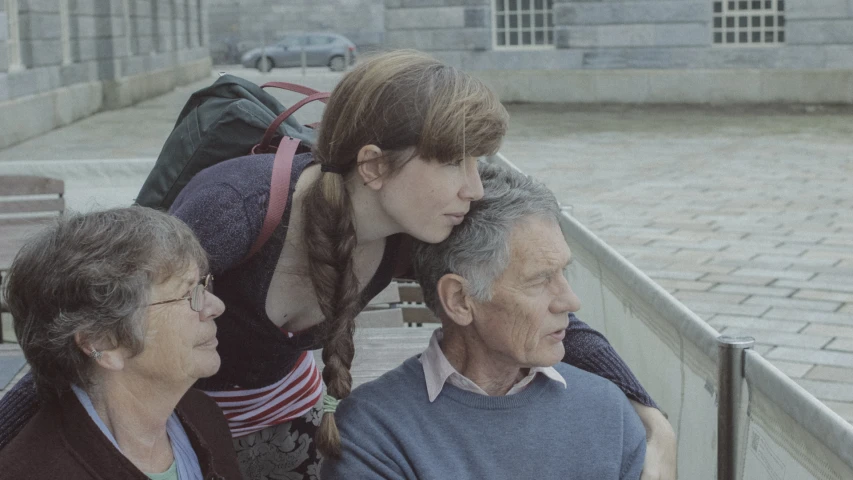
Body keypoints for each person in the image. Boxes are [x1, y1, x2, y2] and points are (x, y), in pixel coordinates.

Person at [0, 50, 674, 479]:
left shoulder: (421, 228)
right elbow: (101, 319)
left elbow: (528, 296)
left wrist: (644, 409)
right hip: (182, 414)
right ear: (374, 164)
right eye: (452, 162)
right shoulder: (237, 207)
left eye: (476, 162)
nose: (474, 187)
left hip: (289, 412)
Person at [322, 163, 649, 479]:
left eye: (564, 272)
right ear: (460, 300)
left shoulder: (609, 413)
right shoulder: (373, 434)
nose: (570, 301)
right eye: (539, 280)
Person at [0, 207, 242, 479]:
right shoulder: (38, 471)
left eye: (203, 285)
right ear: (102, 342)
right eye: (188, 294)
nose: (215, 306)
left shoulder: (204, 418)